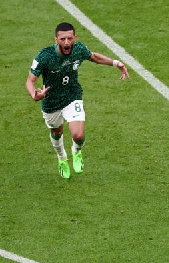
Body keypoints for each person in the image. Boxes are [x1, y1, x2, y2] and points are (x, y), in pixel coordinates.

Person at [25, 22, 130, 179]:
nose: (66, 42)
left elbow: (94, 57)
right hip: (51, 103)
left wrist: (116, 63)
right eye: (62, 39)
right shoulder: (44, 56)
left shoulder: (79, 49)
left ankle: (76, 152)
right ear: (56, 39)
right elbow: (30, 81)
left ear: (75, 38)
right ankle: (62, 159)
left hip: (72, 96)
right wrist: (34, 94)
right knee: (57, 131)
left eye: (69, 38)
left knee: (78, 135)